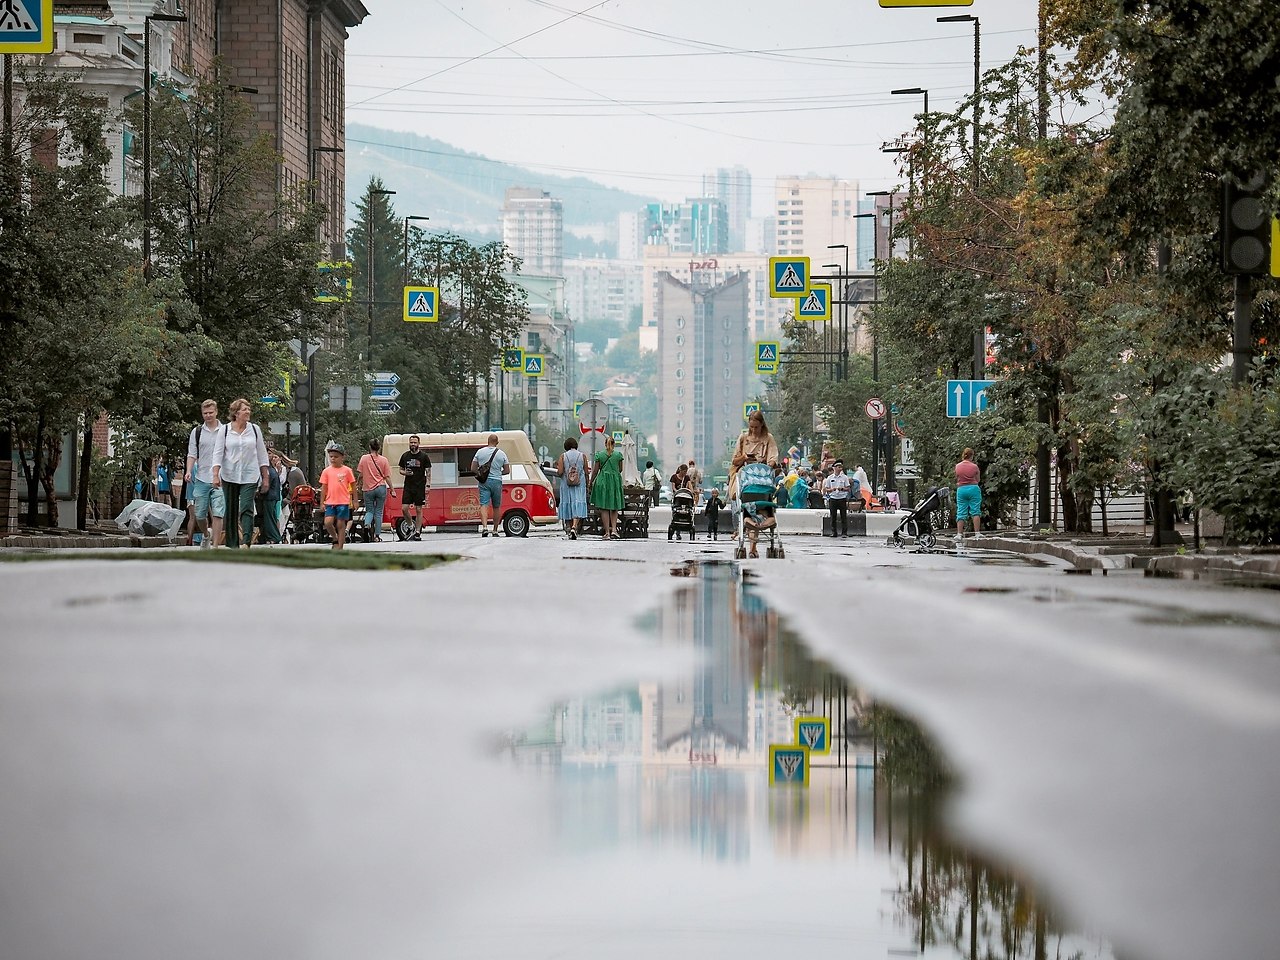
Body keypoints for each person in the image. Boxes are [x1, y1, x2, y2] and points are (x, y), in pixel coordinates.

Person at [211, 398, 270, 549]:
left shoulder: (255, 430)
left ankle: (246, 541)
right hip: (229, 474)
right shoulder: (225, 430)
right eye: (245, 409)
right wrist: (215, 474)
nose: (248, 412)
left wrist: (265, 478)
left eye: (249, 409)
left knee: (246, 507)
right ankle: (232, 543)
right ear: (236, 413)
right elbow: (217, 453)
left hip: (250, 474)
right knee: (230, 509)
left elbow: (262, 455)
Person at [184, 399, 226, 549]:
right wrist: (189, 471)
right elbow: (192, 454)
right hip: (201, 478)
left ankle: (215, 545)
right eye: (205, 413)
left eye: (211, 412)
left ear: (216, 412)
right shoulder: (197, 432)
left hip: (221, 479)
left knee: (218, 512)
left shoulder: (225, 431)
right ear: (202, 414)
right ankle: (206, 535)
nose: (208, 415)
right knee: (200, 515)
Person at [729, 410, 780, 499]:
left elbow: (773, 457)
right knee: (741, 477)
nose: (753, 430)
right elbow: (735, 461)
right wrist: (744, 457)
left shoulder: (768, 438)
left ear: (762, 425)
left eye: (756, 427)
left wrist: (769, 465)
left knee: (766, 482)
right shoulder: (743, 438)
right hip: (746, 471)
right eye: (751, 427)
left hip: (762, 471)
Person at [471, 433, 510, 537]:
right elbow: (507, 470)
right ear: (497, 442)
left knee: (484, 504)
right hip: (497, 481)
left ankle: (484, 527)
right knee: (496, 506)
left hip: (484, 482)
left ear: (488, 441)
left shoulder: (480, 452)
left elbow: (473, 469)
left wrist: (481, 472)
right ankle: (495, 530)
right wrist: (498, 473)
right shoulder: (502, 454)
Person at [319, 443, 356, 549]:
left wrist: (355, 501)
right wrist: (322, 502)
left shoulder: (347, 471)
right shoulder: (326, 471)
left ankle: (340, 546)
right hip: (330, 501)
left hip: (343, 501)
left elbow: (353, 486)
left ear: (342, 457)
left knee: (341, 524)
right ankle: (334, 537)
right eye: (331, 457)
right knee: (328, 522)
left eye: (336, 457)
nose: (333, 459)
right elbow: (324, 488)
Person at [590, 433, 624, 540]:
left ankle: (607, 532)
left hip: (602, 481)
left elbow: (595, 470)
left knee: (604, 507)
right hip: (615, 481)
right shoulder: (618, 455)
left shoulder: (599, 455)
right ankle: (614, 530)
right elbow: (620, 469)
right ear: (614, 444)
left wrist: (591, 482)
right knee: (614, 507)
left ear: (605, 444)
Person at [398, 435, 432, 540]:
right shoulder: (405, 456)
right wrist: (405, 473)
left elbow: (428, 472)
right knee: (404, 508)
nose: (413, 444)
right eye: (411, 442)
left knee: (418, 509)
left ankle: (417, 532)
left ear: (418, 443)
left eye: (415, 442)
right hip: (408, 486)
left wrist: (428, 485)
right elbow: (400, 470)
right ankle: (410, 526)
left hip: (420, 486)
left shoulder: (424, 456)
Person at [357, 439, 392, 542]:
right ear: (379, 447)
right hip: (381, 488)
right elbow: (387, 477)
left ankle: (367, 524)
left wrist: (358, 483)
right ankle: (377, 536)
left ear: (369, 447)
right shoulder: (384, 460)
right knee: (379, 512)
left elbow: (361, 474)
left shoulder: (364, 458)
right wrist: (392, 489)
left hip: (368, 489)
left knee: (370, 511)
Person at [555, 436, 589, 540]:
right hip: (579, 484)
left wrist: (560, 472)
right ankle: (575, 526)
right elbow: (586, 472)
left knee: (568, 504)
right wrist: (587, 484)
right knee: (577, 503)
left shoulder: (563, 456)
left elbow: (560, 472)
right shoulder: (582, 456)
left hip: (566, 485)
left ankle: (569, 528)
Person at [955, 447, 983, 538]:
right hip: (973, 489)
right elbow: (978, 479)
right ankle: (977, 533)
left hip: (961, 489)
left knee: (961, 511)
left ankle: (959, 534)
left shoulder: (957, 466)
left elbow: (957, 478)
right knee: (975, 511)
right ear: (972, 456)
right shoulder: (974, 467)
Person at [256, 453, 284, 544]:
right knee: (271, 517)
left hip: (269, 497)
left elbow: (265, 486)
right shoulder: (272, 471)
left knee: (269, 518)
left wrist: (259, 493)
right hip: (273, 496)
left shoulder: (268, 472)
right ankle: (271, 536)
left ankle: (274, 537)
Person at [823, 460, 852, 538]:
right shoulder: (830, 478)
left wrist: (842, 489)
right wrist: (832, 489)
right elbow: (826, 489)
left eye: (840, 467)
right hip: (833, 498)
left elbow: (848, 488)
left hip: (842, 498)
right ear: (834, 468)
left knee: (843, 516)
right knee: (833, 517)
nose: (840, 469)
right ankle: (834, 532)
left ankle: (844, 533)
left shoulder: (844, 477)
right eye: (838, 467)